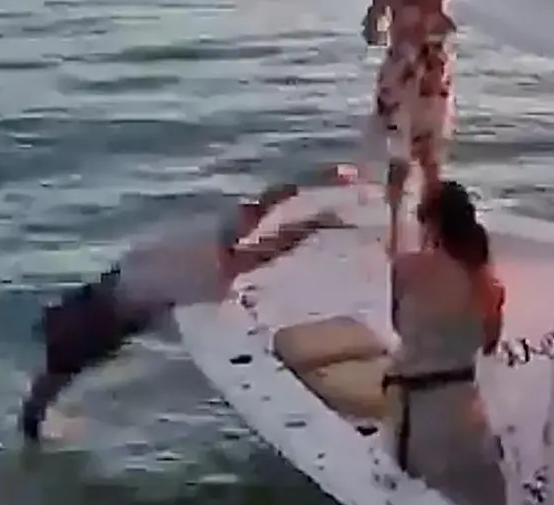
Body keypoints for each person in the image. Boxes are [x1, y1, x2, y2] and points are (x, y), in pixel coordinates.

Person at [18, 173, 351, 442]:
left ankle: (36, 413)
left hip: (113, 296)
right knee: (60, 371)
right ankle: (32, 426)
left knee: (63, 366)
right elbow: (252, 256)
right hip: (105, 314)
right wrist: (306, 227)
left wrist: (303, 220)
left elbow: (253, 245)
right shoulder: (211, 258)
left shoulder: (215, 227)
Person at [384, 180, 507, 505]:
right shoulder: (490, 285)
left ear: (431, 222)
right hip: (465, 411)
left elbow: (398, 326)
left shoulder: (406, 269)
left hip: (417, 409)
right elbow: (490, 342)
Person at [363, 0, 459, 256]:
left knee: (430, 157)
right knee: (400, 157)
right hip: (403, 76)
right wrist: (385, 30)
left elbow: (463, 18)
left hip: (432, 75)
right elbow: (370, 28)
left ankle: (428, 234)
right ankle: (394, 227)